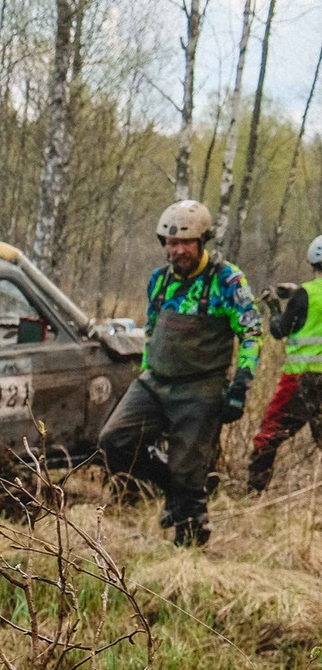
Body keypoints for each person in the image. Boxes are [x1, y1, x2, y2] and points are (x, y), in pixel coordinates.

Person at [97, 198, 262, 547]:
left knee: (189, 472)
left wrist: (241, 386)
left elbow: (251, 332)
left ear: (202, 241)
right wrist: (142, 375)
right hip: (154, 382)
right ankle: (169, 488)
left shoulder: (227, 280)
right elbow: (153, 331)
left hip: (200, 388)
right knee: (113, 441)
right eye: (172, 243)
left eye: (186, 242)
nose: (178, 250)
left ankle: (188, 545)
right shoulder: (159, 280)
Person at [250, 236, 322, 492]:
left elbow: (280, 331)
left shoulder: (306, 295)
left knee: (269, 434)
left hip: (302, 379)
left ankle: (253, 492)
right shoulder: (303, 294)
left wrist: (274, 306)